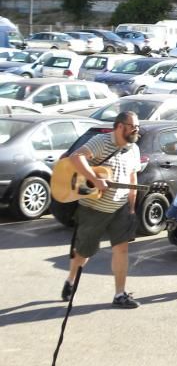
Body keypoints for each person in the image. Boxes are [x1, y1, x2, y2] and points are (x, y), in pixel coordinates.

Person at [62, 111, 143, 309]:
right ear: (120, 126)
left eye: (137, 126)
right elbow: (76, 157)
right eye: (133, 126)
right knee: (84, 251)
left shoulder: (134, 149)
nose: (136, 130)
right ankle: (71, 279)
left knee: (122, 249)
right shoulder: (101, 141)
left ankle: (119, 294)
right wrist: (95, 178)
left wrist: (131, 207)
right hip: (94, 208)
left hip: (120, 207)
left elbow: (133, 178)